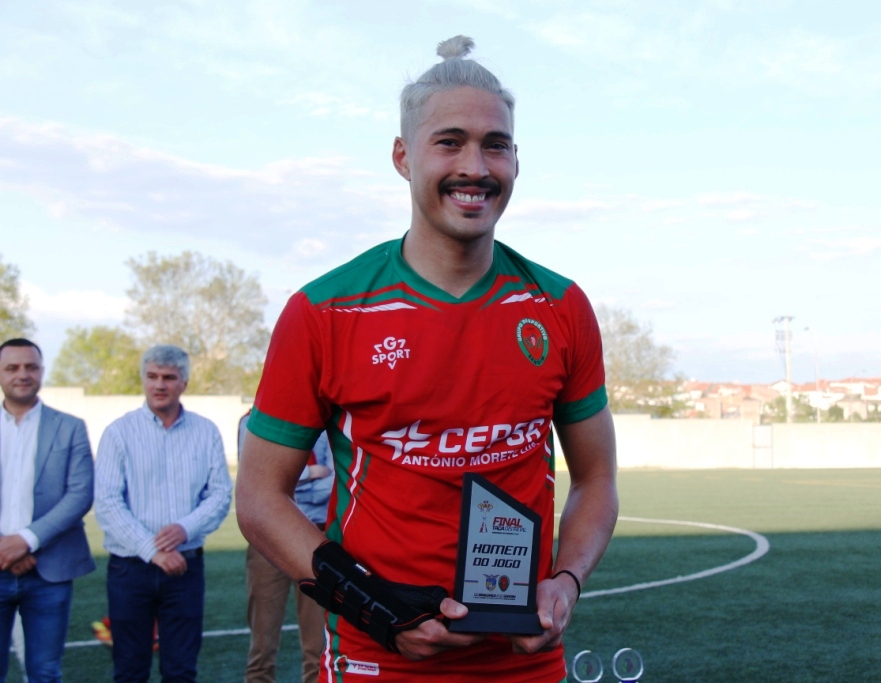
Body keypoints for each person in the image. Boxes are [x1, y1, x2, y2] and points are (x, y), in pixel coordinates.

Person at [236, 35, 618, 682]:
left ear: (516, 162)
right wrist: (375, 608)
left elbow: (597, 479)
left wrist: (566, 580)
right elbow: (259, 497)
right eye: (450, 141)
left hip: (523, 661)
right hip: (374, 656)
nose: (475, 165)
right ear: (402, 155)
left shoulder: (560, 306)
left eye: (495, 144)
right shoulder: (325, 311)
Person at [94, 344, 232, 683]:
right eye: (152, 376)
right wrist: (153, 550)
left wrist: (185, 528)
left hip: (186, 567)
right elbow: (108, 501)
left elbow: (220, 494)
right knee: (129, 670)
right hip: (130, 569)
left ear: (183, 382)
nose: (159, 385)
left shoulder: (205, 432)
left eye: (169, 377)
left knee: (181, 670)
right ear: (143, 379)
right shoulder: (119, 432)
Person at [0, 338, 95, 683]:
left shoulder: (69, 427)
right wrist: (4, 548)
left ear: (41, 371)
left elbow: (80, 494)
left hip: (48, 570)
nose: (22, 374)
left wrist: (25, 540)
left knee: (44, 671)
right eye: (12, 367)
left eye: (30, 367)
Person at [239, 412, 332, 683]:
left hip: (316, 536)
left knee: (318, 648)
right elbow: (255, 482)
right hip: (266, 537)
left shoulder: (330, 420)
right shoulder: (251, 420)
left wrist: (283, 486)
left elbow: (337, 480)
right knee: (261, 648)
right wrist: (312, 473)